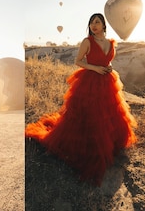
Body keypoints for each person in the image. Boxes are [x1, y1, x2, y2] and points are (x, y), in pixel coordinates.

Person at [25, 13, 137, 186]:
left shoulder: (111, 43)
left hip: (107, 81)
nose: (94, 25)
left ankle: (111, 143)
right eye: (91, 23)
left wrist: (108, 67)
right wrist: (96, 68)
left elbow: (108, 60)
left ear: (103, 25)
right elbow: (78, 61)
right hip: (90, 80)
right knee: (90, 114)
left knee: (109, 113)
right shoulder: (87, 42)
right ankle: (90, 147)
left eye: (97, 22)